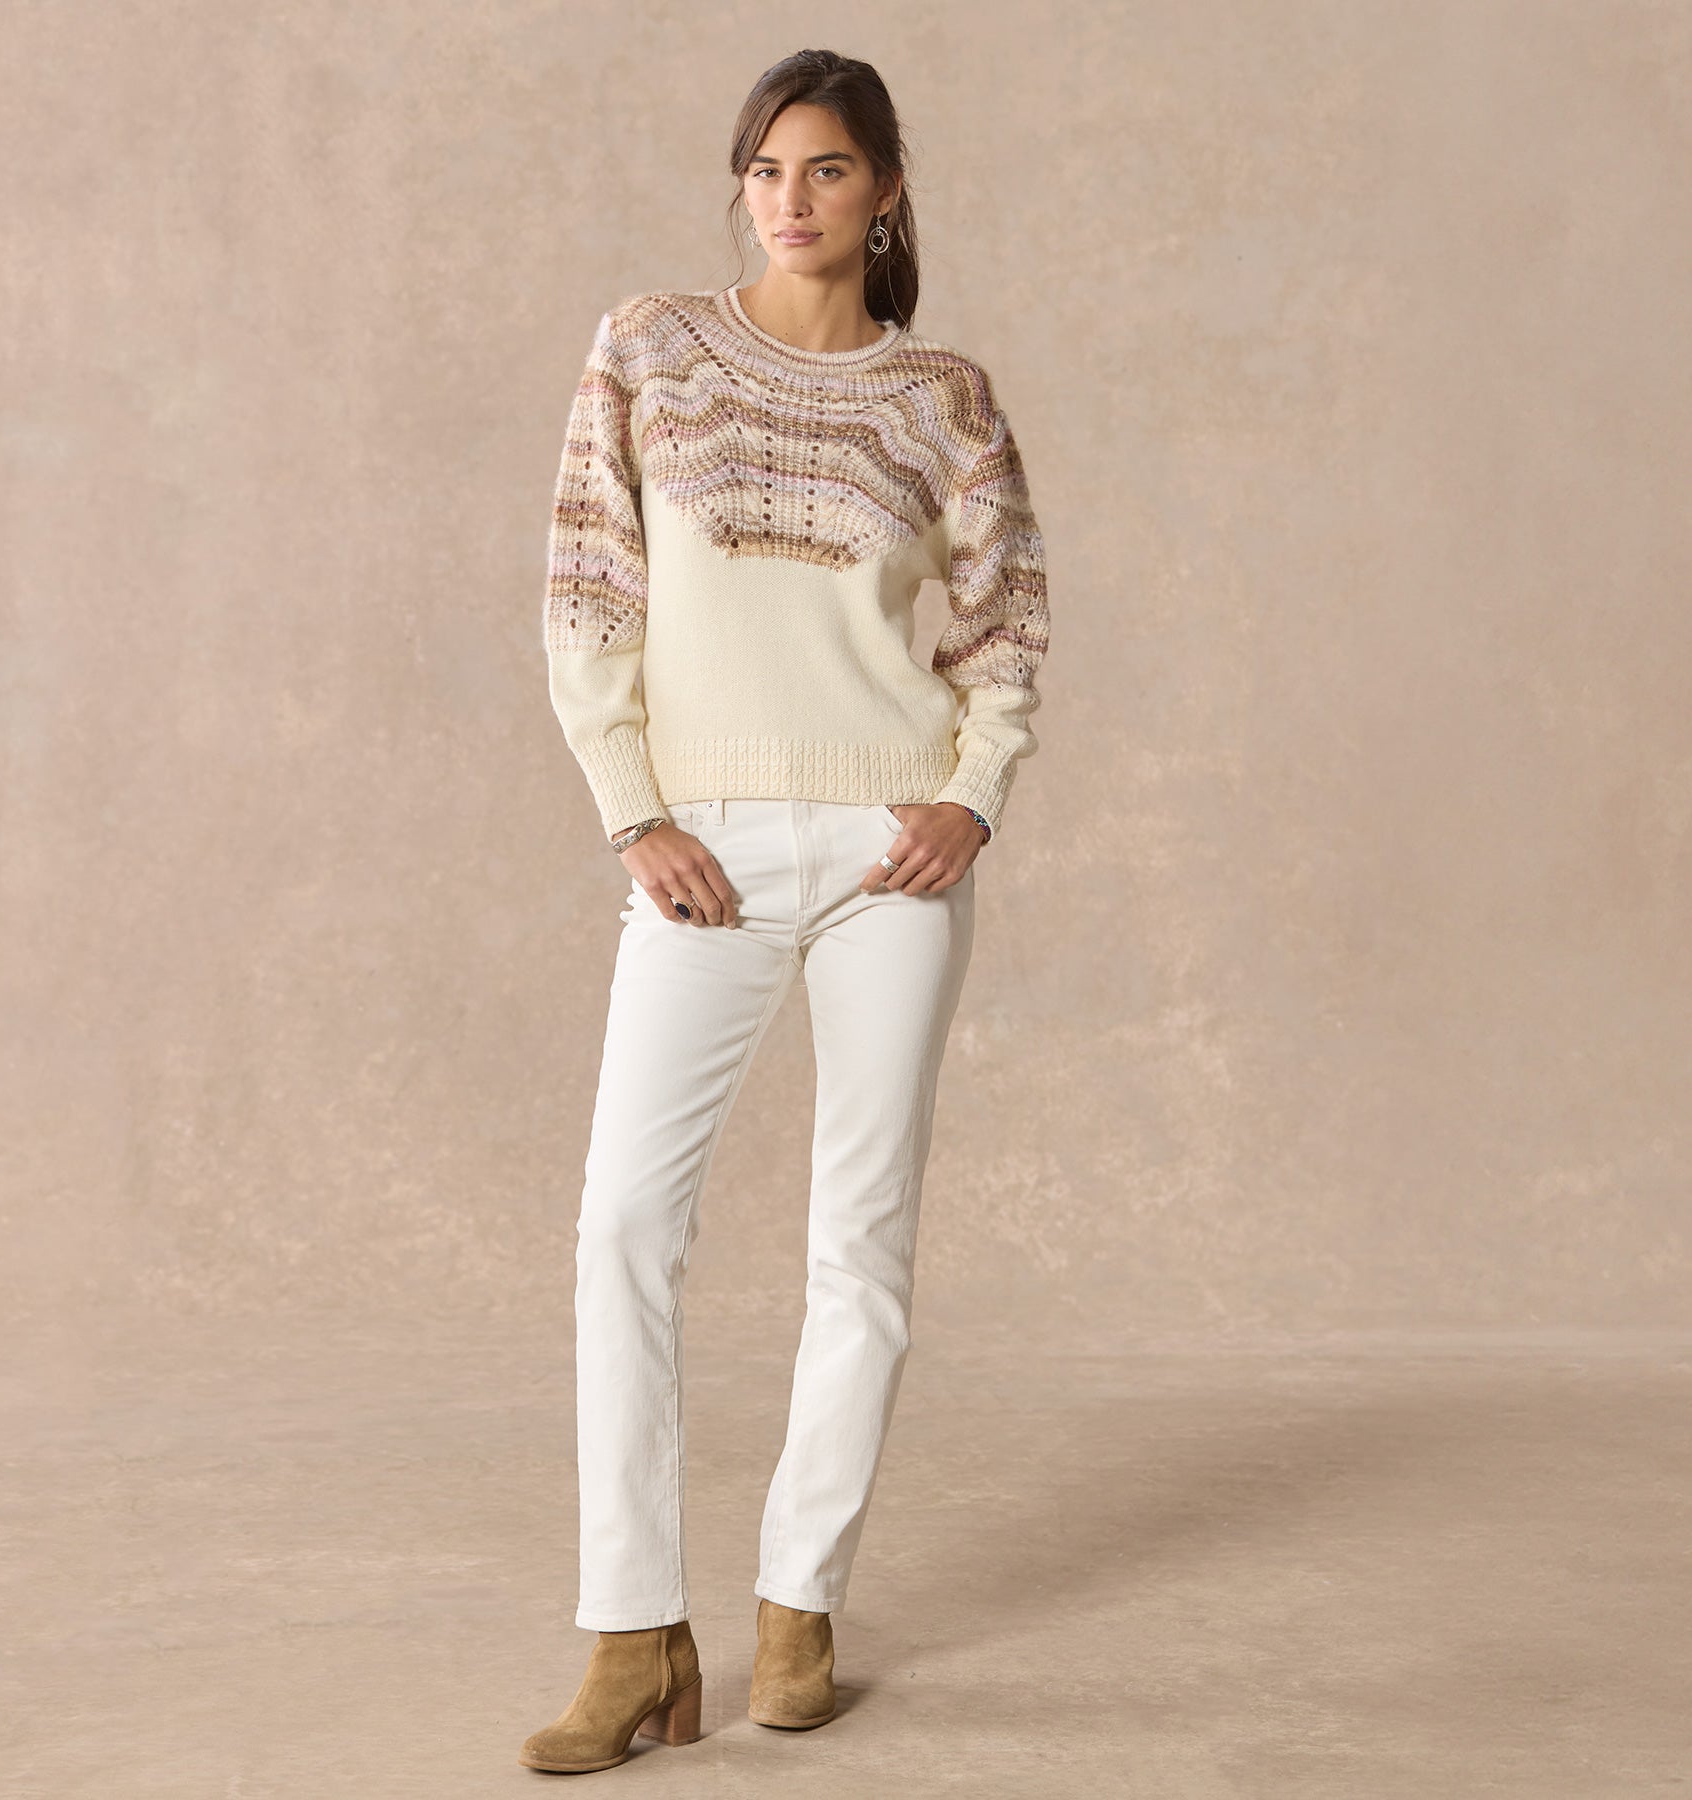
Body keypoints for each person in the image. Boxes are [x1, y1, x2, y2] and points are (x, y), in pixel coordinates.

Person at [519, 47, 1050, 1775]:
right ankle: (632, 1635)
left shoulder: (946, 397)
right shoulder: (651, 348)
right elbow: (588, 593)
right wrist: (636, 810)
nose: (790, 200)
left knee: (860, 1239)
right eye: (764, 170)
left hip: (893, 854)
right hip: (711, 850)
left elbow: (1006, 623)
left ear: (885, 190)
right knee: (623, 1226)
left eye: (826, 170)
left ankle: (798, 1606)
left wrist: (972, 791)